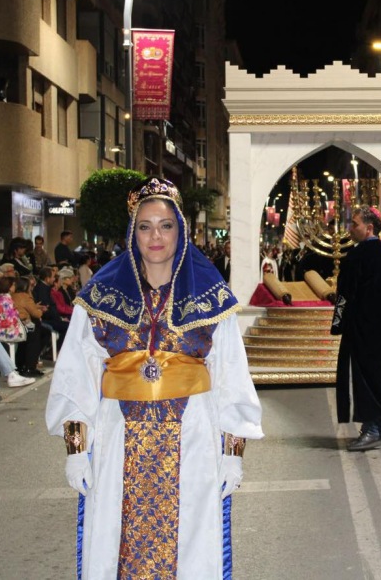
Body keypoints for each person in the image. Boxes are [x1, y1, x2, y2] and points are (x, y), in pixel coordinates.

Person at [45, 177, 263, 578]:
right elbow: (77, 374)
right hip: (118, 438)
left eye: (165, 225)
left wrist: (233, 454)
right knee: (115, 538)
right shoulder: (99, 297)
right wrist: (76, 447)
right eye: (144, 226)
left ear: (180, 229)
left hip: (193, 436)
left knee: (193, 543)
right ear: (133, 231)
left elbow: (231, 375)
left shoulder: (211, 297)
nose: (155, 236)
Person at [332, 205, 381, 451]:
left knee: (366, 381)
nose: (351, 229)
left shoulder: (357, 257)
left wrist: (338, 324)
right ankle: (377, 428)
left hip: (362, 331)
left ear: (369, 227)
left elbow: (344, 295)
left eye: (355, 224)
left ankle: (372, 429)